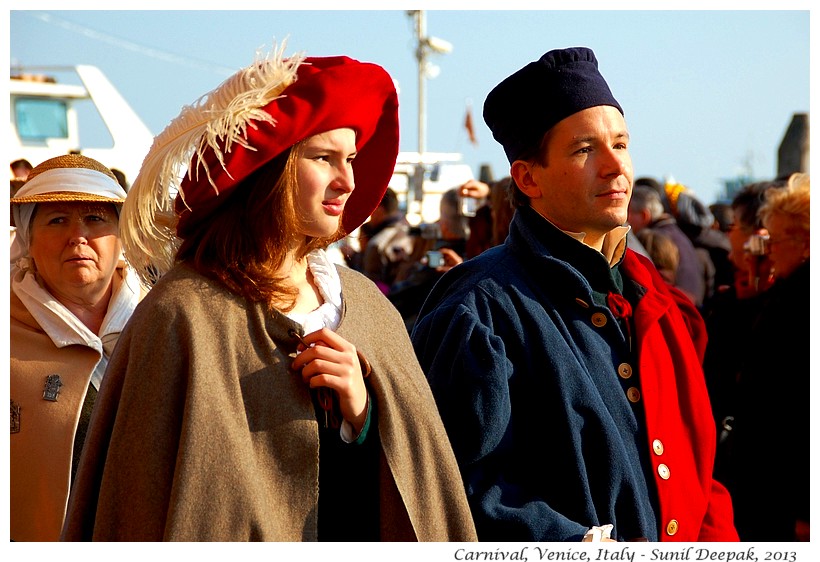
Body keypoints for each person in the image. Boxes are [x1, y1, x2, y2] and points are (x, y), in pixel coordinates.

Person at [61, 47, 476, 542]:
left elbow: (415, 489)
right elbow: (142, 507)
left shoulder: (365, 305)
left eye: (351, 159)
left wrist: (363, 413)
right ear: (270, 171)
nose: (347, 180)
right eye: (323, 158)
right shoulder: (183, 314)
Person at [411, 46, 737, 542]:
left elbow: (699, 478)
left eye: (621, 144)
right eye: (585, 149)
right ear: (527, 178)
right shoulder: (479, 308)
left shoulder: (656, 299)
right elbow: (457, 491)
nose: (614, 166)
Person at [10, 153, 143, 541]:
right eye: (57, 219)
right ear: (27, 239)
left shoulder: (163, 319)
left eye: (96, 218)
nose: (78, 236)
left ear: (122, 236)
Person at [720, 173, 810, 542]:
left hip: (780, 485)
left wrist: (806, 508)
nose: (768, 249)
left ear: (804, 241)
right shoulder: (788, 290)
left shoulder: (801, 298)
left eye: (776, 239)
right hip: (765, 473)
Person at [627, 183, 706, 306]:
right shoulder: (677, 233)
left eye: (629, 213)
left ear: (644, 215)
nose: (626, 219)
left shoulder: (653, 239)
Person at [357, 187, 413, 292]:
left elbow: (369, 291)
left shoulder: (377, 245)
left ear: (379, 209)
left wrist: (355, 256)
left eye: (370, 210)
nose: (368, 216)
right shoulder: (411, 232)